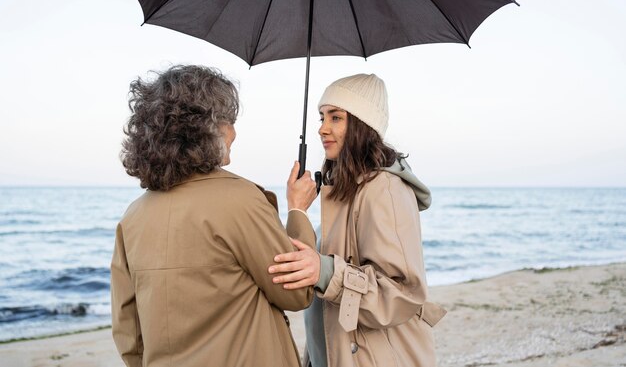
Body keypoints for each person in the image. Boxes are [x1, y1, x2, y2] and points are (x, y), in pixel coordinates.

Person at [110, 64, 318, 367]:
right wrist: (298, 210)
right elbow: (297, 292)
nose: (234, 132)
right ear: (210, 128)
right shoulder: (241, 201)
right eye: (230, 121)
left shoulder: (133, 217)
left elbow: (128, 332)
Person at [269, 74, 446, 367]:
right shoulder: (344, 191)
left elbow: (401, 294)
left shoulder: (385, 189)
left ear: (363, 126)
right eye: (322, 117)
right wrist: (296, 208)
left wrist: (325, 272)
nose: (323, 129)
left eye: (336, 118)